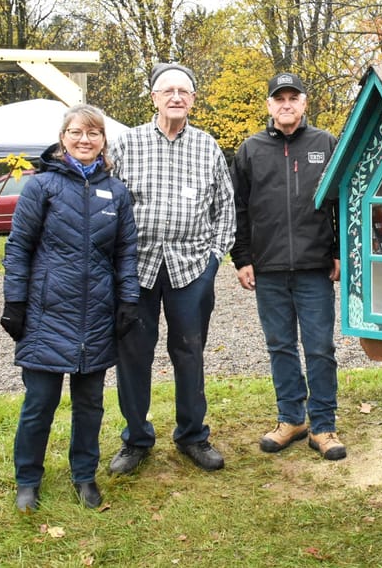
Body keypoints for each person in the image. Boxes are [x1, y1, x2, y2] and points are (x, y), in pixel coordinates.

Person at [2, 104, 139, 512]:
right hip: (46, 314)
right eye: (77, 132)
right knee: (39, 404)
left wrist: (128, 299)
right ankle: (28, 480)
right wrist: (15, 301)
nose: (85, 140)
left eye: (93, 133)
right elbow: (19, 247)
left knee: (90, 404)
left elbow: (126, 253)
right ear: (63, 138)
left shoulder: (116, 192)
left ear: (103, 141)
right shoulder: (41, 187)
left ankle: (84, 475)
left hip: (95, 315)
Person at [108, 63, 236, 474]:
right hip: (136, 269)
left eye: (184, 91)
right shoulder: (126, 144)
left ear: (193, 100)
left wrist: (213, 260)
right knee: (133, 355)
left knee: (189, 352)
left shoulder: (207, 147)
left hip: (191, 268)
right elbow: (106, 202)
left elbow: (225, 208)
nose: (176, 97)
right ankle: (136, 439)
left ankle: (193, 436)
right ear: (154, 98)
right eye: (168, 91)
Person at [230, 73, 344, 460]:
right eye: (279, 99)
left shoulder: (325, 144)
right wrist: (242, 258)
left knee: (320, 348)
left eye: (293, 98)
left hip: (315, 268)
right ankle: (291, 419)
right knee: (280, 346)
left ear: (304, 103)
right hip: (269, 269)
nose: (286, 104)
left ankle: (323, 425)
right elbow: (238, 209)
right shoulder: (251, 150)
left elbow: (341, 202)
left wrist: (339, 251)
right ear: (269, 105)